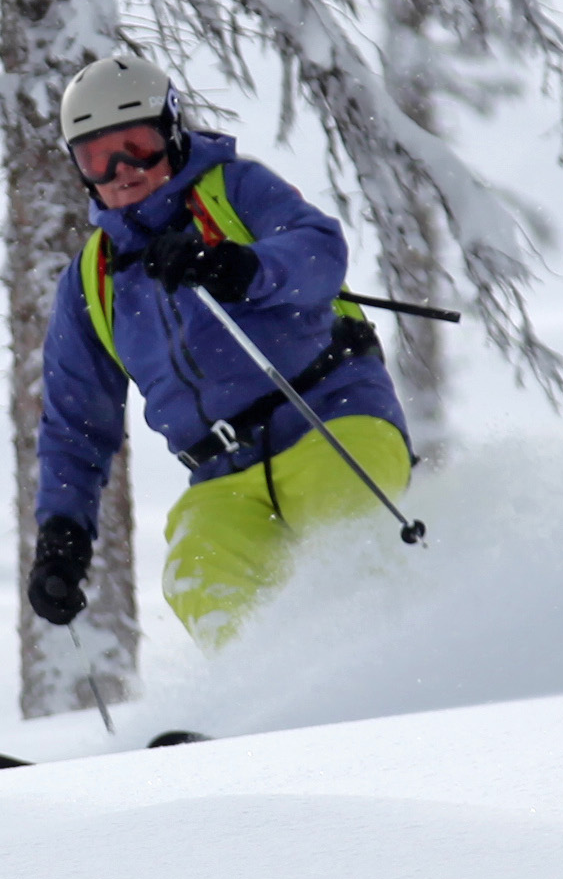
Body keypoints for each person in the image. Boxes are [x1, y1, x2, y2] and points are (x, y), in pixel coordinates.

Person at [27, 55, 416, 647]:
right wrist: (62, 532)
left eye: (138, 146)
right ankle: (270, 710)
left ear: (174, 133)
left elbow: (318, 251)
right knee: (199, 577)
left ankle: (397, 676)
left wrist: (241, 267)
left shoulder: (233, 190)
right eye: (97, 158)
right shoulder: (92, 281)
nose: (123, 170)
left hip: (332, 422)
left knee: (347, 543)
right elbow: (74, 423)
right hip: (223, 476)